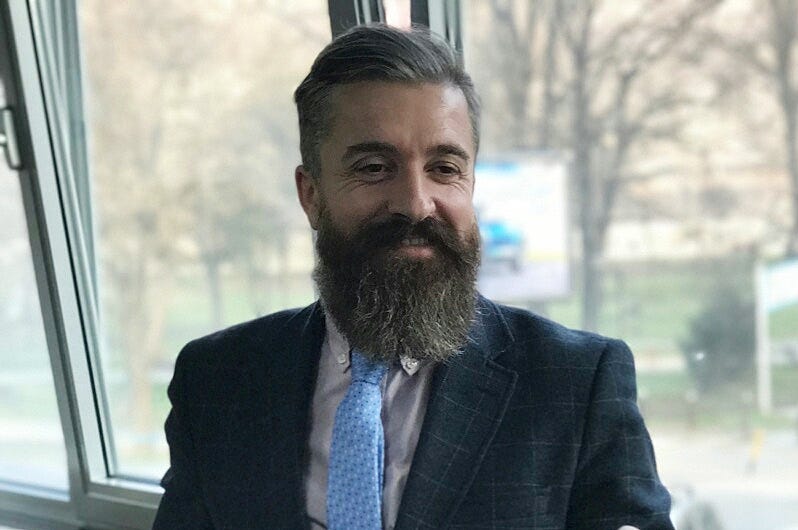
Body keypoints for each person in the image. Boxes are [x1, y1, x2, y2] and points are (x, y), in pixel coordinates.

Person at [153, 24, 673, 530]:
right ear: (311, 195)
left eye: (444, 168)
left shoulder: (576, 384)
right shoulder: (217, 381)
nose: (416, 204)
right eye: (374, 167)